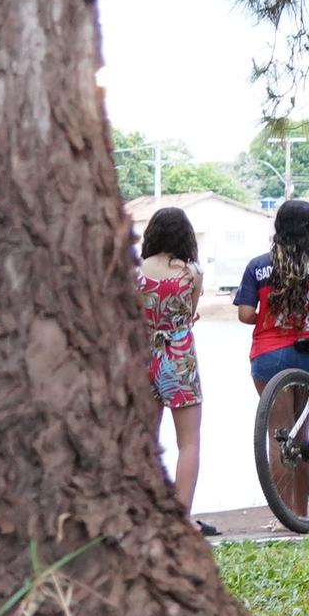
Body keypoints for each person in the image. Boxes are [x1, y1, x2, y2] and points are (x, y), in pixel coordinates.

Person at [235, 197, 309, 475]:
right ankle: (301, 514)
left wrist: (267, 319)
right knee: (301, 439)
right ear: (307, 229)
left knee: (279, 440)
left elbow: (244, 314)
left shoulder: (258, 266)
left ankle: (283, 518)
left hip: (268, 357)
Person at [133, 206, 211, 533]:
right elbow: (190, 315)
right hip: (179, 358)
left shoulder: (134, 271)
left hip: (142, 357)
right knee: (188, 442)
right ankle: (181, 518)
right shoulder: (192, 273)